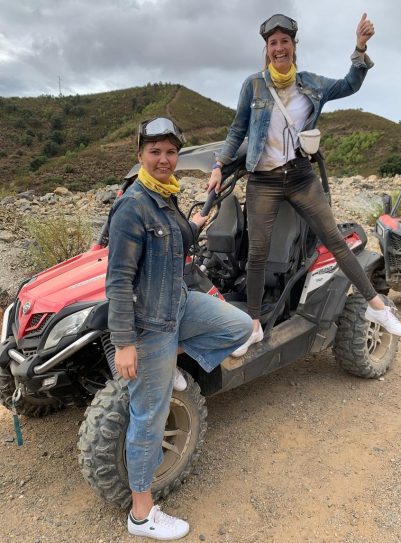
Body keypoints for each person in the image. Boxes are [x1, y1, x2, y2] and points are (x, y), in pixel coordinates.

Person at [208, 12, 401, 357]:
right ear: (267, 49)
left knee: (334, 239)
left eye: (285, 41)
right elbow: (237, 129)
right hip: (263, 180)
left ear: (293, 46)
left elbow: (350, 84)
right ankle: (253, 325)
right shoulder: (253, 85)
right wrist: (219, 165)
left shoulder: (311, 83)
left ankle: (376, 306)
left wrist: (360, 48)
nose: (279, 48)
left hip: (300, 175)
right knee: (257, 253)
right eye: (273, 43)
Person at [106, 117, 253, 540]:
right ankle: (141, 515)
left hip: (178, 304)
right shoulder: (133, 206)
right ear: (140, 155)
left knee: (240, 326)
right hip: (150, 324)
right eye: (155, 151)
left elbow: (178, 238)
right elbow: (118, 280)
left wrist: (196, 222)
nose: (164, 159)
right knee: (149, 418)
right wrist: (125, 343)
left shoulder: (165, 197)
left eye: (171, 152)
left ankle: (169, 361)